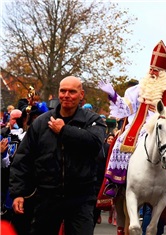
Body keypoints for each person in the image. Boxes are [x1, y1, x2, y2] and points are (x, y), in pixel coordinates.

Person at [98, 40, 166, 235]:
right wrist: (113, 95)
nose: (153, 72)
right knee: (119, 142)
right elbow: (126, 108)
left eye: (158, 69)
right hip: (137, 127)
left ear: (164, 72)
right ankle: (115, 181)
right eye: (152, 68)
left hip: (162, 127)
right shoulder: (136, 89)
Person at [9, 76, 106, 235]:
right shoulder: (41, 123)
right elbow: (23, 159)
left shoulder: (92, 120)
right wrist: (18, 193)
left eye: (72, 91)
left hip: (80, 197)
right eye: (63, 91)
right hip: (47, 196)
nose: (66, 95)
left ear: (81, 95)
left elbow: (95, 143)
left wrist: (65, 131)